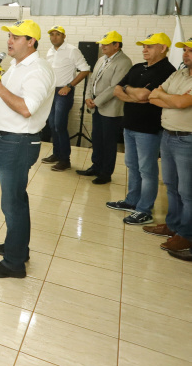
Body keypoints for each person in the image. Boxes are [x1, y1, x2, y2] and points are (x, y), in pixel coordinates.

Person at [0, 20, 55, 278]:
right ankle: (17, 248)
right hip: (8, 138)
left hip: (19, 142)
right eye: (9, 36)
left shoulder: (39, 70)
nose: (9, 41)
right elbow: (10, 99)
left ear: (31, 41)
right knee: (15, 200)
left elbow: (26, 108)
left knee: (13, 203)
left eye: (16, 37)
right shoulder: (16, 65)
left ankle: (14, 264)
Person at [109, 33, 176, 225]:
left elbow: (144, 94)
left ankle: (144, 209)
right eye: (143, 46)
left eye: (150, 46)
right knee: (132, 165)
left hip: (148, 128)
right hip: (129, 124)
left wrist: (130, 91)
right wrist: (134, 94)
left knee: (147, 170)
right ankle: (132, 202)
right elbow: (117, 90)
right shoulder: (138, 67)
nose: (144, 50)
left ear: (163, 48)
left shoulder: (166, 70)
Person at [143, 39, 192, 256]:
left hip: (187, 139)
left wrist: (169, 98)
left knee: (187, 192)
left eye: (191, 51)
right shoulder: (179, 74)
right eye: (185, 50)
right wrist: (171, 98)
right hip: (168, 135)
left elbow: (182, 104)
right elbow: (153, 96)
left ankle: (186, 235)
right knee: (171, 186)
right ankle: (173, 226)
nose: (186, 54)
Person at [77, 31, 134, 185]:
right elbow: (92, 79)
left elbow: (114, 87)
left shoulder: (124, 62)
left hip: (110, 109)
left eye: (106, 44)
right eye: (102, 43)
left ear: (117, 45)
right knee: (97, 139)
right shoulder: (102, 59)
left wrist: (96, 101)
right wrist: (88, 97)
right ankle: (96, 166)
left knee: (108, 142)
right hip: (96, 106)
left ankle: (105, 173)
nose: (102, 46)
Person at [41, 25, 91, 171]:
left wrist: (69, 86)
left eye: (57, 34)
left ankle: (65, 160)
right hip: (51, 92)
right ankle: (56, 154)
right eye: (52, 34)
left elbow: (85, 69)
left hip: (64, 92)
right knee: (52, 125)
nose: (54, 37)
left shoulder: (72, 50)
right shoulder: (50, 51)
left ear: (64, 36)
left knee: (60, 126)